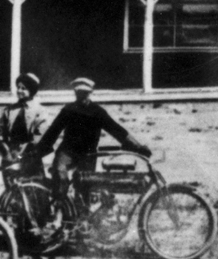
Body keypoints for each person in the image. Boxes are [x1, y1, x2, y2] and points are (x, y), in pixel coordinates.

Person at [25, 76, 148, 216]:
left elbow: (117, 130)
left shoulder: (98, 112)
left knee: (84, 188)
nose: (82, 97)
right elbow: (53, 132)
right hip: (67, 152)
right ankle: (60, 208)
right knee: (60, 174)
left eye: (85, 93)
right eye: (79, 93)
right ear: (75, 94)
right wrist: (37, 152)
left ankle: (80, 224)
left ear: (90, 93)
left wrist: (138, 147)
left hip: (88, 155)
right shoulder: (68, 110)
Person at [0, 72, 44, 172]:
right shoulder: (9, 110)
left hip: (29, 154)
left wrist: (21, 156)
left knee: (29, 184)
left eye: (23, 88)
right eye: (18, 87)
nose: (19, 91)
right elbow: (1, 132)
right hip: (10, 153)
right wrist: (7, 153)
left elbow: (38, 136)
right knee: (11, 184)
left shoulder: (39, 111)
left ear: (31, 90)